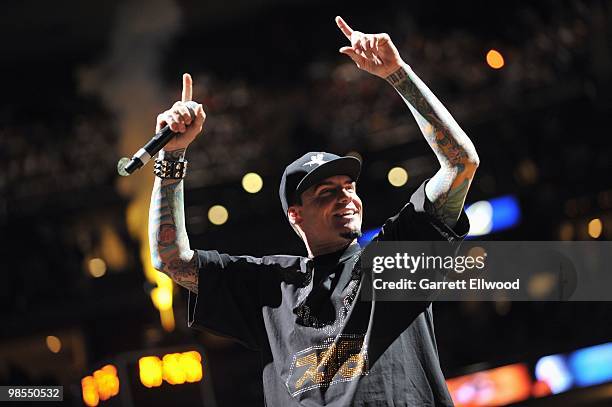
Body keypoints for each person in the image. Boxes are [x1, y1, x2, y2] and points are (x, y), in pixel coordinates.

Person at [149, 16, 479, 406]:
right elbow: (170, 259)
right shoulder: (270, 287)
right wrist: (172, 155)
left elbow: (460, 164)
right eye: (326, 192)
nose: (345, 197)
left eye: (348, 188)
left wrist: (397, 74)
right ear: (296, 215)